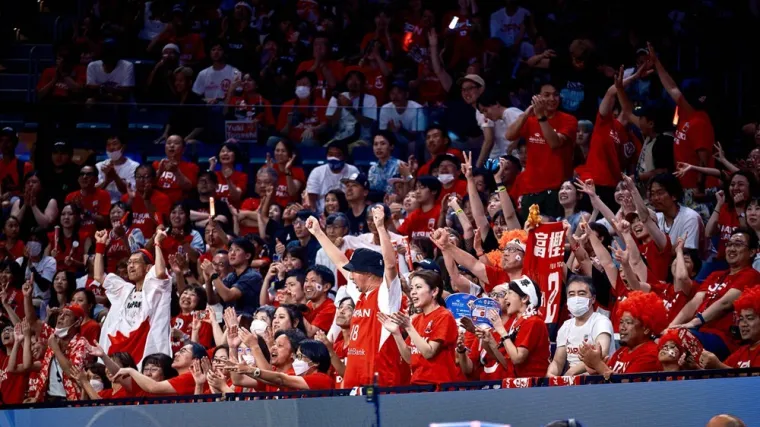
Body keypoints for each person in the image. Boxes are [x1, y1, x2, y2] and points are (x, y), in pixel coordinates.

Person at [305, 206, 405, 387]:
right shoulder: (361, 294)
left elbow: (390, 266)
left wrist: (381, 227)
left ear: (369, 273)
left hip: (380, 385)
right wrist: (319, 233)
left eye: (354, 272)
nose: (349, 276)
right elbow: (341, 261)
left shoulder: (386, 295)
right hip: (354, 385)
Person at [669, 229, 760, 360]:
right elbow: (695, 302)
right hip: (699, 332)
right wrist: (670, 327)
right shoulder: (715, 275)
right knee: (665, 340)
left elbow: (725, 303)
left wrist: (694, 322)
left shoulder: (752, 275)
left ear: (752, 252)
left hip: (723, 338)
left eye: (738, 244)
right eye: (729, 244)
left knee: (678, 340)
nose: (731, 248)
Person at [647, 43, 718, 195]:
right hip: (685, 185)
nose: (678, 95)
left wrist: (699, 188)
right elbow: (671, 86)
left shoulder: (700, 122)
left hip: (699, 189)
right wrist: (656, 63)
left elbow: (703, 160)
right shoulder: (686, 110)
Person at [95, 228, 172, 365]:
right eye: (129, 263)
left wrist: (157, 244)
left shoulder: (156, 289)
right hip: (121, 351)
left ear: (148, 268)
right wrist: (100, 245)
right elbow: (99, 276)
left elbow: (160, 273)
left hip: (146, 351)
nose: (130, 266)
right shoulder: (124, 289)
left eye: (135, 262)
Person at [505, 83, 578, 219]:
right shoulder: (530, 120)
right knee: (530, 233)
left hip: (557, 188)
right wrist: (526, 113)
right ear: (537, 98)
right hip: (530, 189)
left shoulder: (569, 120)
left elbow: (554, 143)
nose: (552, 98)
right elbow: (509, 136)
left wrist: (541, 118)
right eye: (546, 95)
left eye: (555, 94)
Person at [380, 269, 458, 384]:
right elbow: (409, 358)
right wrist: (396, 333)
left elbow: (429, 353)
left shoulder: (444, 316)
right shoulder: (417, 320)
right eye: (411, 288)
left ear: (435, 291)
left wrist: (409, 327)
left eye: (418, 287)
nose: (413, 292)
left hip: (439, 387)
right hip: (417, 385)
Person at [579, 291, 668, 375]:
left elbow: (625, 388)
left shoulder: (651, 354)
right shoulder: (621, 352)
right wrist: (594, 369)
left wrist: (598, 364)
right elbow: (606, 380)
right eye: (621, 322)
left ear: (646, 329)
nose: (622, 327)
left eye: (628, 322)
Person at [482, 276, 550, 378]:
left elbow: (517, 358)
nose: (505, 297)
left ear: (524, 298)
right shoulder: (518, 322)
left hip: (533, 387)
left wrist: (501, 329)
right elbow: (507, 363)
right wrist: (490, 341)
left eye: (510, 293)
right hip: (517, 385)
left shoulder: (533, 322)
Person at [547, 276, 614, 376]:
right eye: (571, 294)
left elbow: (601, 354)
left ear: (593, 299)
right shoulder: (566, 326)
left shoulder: (600, 322)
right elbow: (557, 362)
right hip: (572, 383)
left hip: (598, 380)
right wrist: (551, 375)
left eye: (581, 293)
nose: (576, 298)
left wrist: (571, 373)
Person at [27, 304, 90, 402]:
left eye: (67, 315)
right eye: (60, 314)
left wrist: (55, 348)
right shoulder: (52, 336)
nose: (61, 317)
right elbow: (33, 322)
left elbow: (72, 373)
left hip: (70, 399)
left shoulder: (81, 343)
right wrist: (27, 296)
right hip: (47, 397)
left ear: (77, 323)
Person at [202, 237, 262, 328]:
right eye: (230, 250)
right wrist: (208, 280)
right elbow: (213, 300)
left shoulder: (253, 276)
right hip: (229, 324)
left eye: (237, 250)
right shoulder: (231, 276)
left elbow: (228, 296)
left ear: (247, 256)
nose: (232, 253)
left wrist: (213, 274)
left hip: (246, 324)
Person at [113, 341, 209, 395]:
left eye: (183, 351)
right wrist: (103, 356)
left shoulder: (190, 377)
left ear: (195, 360)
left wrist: (131, 371)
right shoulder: (183, 377)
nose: (176, 354)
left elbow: (153, 387)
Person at [701, 286, 760, 369]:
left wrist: (718, 366)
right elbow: (719, 375)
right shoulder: (741, 352)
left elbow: (755, 379)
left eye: (749, 318)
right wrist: (694, 368)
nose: (743, 324)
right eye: (741, 319)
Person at [649, 173, 704, 251]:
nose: (655, 198)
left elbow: (685, 251)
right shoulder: (656, 218)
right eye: (652, 194)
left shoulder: (690, 217)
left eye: (660, 193)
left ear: (674, 195)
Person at [275, 71, 330, 145]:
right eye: (298, 84)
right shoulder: (287, 104)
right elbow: (283, 132)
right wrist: (288, 123)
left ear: (313, 87)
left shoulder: (322, 103)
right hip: (290, 142)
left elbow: (325, 125)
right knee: (272, 140)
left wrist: (312, 129)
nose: (301, 87)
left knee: (308, 142)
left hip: (310, 140)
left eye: (304, 84)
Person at [306, 142, 360, 213]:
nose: (333, 158)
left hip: (347, 214)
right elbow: (312, 200)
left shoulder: (353, 171)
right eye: (330, 154)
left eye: (337, 155)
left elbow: (357, 197)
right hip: (322, 214)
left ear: (345, 157)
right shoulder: (317, 172)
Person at [326, 70, 378, 143]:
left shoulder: (370, 99)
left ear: (362, 83)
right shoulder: (338, 97)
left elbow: (367, 124)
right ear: (346, 83)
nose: (353, 82)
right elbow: (332, 124)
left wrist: (351, 109)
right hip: (339, 138)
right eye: (350, 79)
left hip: (361, 140)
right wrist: (339, 107)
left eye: (357, 80)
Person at [158, 67, 205, 144]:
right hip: (174, 137)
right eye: (176, 80)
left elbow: (200, 127)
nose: (177, 83)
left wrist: (184, 141)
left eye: (180, 81)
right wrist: (165, 134)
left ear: (189, 82)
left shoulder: (197, 100)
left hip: (189, 138)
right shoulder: (174, 99)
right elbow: (170, 121)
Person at [123, 164, 171, 238]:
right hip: (128, 240)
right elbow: (120, 223)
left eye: (146, 177)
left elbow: (161, 224)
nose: (142, 180)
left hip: (151, 240)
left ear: (153, 179)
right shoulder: (127, 197)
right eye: (138, 177)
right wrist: (131, 200)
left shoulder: (162, 198)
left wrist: (146, 200)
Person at [476, 88, 523, 163]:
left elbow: (526, 128)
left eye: (485, 110)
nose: (485, 115)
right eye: (482, 113)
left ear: (497, 104)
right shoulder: (502, 119)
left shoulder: (509, 112)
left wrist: (514, 144)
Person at [65, 165, 111, 240]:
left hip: (97, 236)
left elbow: (104, 222)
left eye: (89, 174)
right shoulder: (70, 197)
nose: (84, 177)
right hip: (76, 236)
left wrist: (85, 211)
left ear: (96, 179)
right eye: (82, 174)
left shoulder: (103, 195)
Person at [152, 135, 200, 205]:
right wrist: (159, 172)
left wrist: (176, 171)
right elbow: (149, 185)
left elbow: (188, 187)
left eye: (176, 143)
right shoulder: (156, 164)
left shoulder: (191, 167)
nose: (171, 145)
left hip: (180, 206)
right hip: (158, 204)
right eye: (168, 143)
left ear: (183, 149)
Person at [84, 38, 135, 103]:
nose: (109, 56)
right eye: (106, 53)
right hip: (100, 99)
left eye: (111, 53)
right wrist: (110, 92)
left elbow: (126, 90)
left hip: (122, 101)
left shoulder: (127, 65)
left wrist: (101, 89)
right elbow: (90, 88)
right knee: (89, 101)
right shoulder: (92, 66)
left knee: (120, 99)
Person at [378, 80, 425, 149]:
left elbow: (417, 136)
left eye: (399, 93)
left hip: (414, 143)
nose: (395, 96)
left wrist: (401, 130)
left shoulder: (417, 109)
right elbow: (382, 133)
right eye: (392, 93)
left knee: (412, 145)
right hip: (394, 142)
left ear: (406, 94)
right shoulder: (385, 108)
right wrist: (389, 130)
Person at [11, 171, 59, 238]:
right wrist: (24, 205)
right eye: (27, 182)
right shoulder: (18, 201)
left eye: (34, 182)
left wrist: (33, 206)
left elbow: (45, 225)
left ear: (41, 185)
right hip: (21, 237)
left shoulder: (51, 201)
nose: (30, 184)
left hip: (42, 238)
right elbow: (13, 224)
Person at [96, 135, 139, 204]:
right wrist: (107, 181)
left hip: (124, 205)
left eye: (114, 144)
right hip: (102, 204)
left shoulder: (134, 166)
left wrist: (115, 176)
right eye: (108, 145)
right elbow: (93, 192)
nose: (111, 148)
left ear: (123, 147)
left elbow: (131, 193)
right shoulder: (99, 166)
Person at [396, 176, 442, 241]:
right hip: (414, 251)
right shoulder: (413, 215)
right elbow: (398, 237)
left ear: (434, 191)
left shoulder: (441, 212)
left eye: (422, 187)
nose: (417, 191)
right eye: (416, 188)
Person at [105, 202, 146, 274]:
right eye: (112, 213)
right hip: (110, 279)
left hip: (130, 276)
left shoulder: (135, 232)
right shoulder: (105, 234)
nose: (115, 215)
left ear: (127, 215)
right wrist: (104, 248)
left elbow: (137, 258)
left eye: (119, 212)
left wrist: (123, 237)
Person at [40, 141, 80, 208]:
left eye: (63, 153)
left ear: (70, 155)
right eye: (55, 153)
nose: (58, 157)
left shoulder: (77, 172)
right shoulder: (44, 171)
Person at [208, 142, 248, 208]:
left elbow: (236, 197)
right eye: (222, 151)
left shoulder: (242, 176)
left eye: (229, 151)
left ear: (235, 155)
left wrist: (228, 179)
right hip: (213, 209)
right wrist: (211, 167)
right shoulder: (214, 174)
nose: (225, 153)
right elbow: (204, 191)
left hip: (233, 210)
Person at [0, 127, 33, 200]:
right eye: (1, 140)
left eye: (8, 141)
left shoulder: (26, 166)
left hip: (17, 204)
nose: (4, 144)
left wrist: (11, 194)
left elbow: (29, 192)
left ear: (15, 143)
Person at [304, 265, 336, 335]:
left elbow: (310, 333)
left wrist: (294, 309)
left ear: (326, 287)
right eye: (306, 280)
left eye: (313, 281)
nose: (307, 285)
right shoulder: (308, 305)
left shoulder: (331, 308)